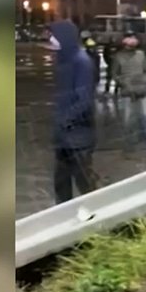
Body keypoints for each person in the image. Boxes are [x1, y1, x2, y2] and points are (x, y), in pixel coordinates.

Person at [48, 20, 99, 204]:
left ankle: (97, 220)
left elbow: (84, 100)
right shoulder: (65, 60)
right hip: (64, 139)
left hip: (79, 138)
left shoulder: (82, 62)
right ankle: (64, 222)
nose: (51, 40)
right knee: (61, 184)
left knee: (85, 184)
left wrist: (65, 120)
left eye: (54, 35)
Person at [113, 32, 146, 150]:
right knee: (128, 118)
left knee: (145, 116)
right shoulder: (118, 57)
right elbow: (115, 74)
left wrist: (145, 82)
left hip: (141, 90)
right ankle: (130, 141)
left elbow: (145, 70)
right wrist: (125, 84)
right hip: (127, 92)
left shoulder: (140, 54)